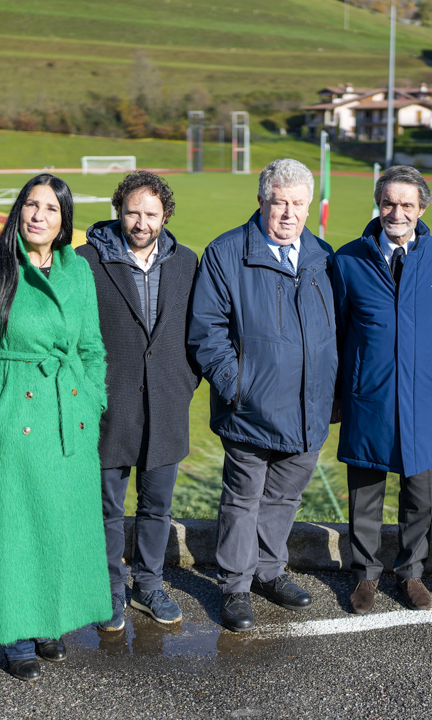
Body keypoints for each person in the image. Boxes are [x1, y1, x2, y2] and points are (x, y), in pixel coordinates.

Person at [0, 174, 110, 679]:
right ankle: (15, 631)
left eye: (51, 209)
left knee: (61, 524)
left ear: (64, 222)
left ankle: (50, 623)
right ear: (18, 210)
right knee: (13, 527)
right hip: (13, 413)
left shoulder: (77, 272)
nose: (38, 215)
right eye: (31, 204)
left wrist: (93, 398)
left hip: (69, 413)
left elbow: (91, 347)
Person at [188, 158, 338, 632]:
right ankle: (234, 585)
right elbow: (206, 333)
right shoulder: (226, 253)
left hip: (308, 409)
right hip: (250, 408)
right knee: (242, 499)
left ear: (308, 207)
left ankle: (269, 572)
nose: (289, 213)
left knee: (283, 499)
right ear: (261, 202)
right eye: (279, 203)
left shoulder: (322, 256)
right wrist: (238, 387)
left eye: (297, 204)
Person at [331, 165, 432, 614]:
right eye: (389, 202)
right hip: (370, 396)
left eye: (407, 204)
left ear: (422, 207)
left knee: (419, 496)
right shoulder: (348, 260)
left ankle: (412, 573)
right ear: (378, 204)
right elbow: (339, 334)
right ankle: (365, 575)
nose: (397, 212)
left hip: (426, 398)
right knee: (365, 495)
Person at [77, 171, 200, 629]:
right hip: (110, 406)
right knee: (107, 507)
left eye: (151, 213)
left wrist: (185, 381)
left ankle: (148, 586)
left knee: (156, 506)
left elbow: (199, 330)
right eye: (133, 212)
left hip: (167, 404)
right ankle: (109, 591)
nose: (141, 221)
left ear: (165, 215)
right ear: (119, 212)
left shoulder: (187, 262)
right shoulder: (86, 261)